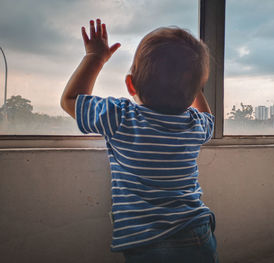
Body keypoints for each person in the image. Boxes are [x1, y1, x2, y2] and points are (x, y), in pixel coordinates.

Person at [61, 18, 218, 263]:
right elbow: (209, 118)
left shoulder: (121, 117)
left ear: (130, 85)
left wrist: (95, 56)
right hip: (198, 232)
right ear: (195, 91)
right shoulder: (194, 124)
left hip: (147, 242)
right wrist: (192, 86)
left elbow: (71, 100)